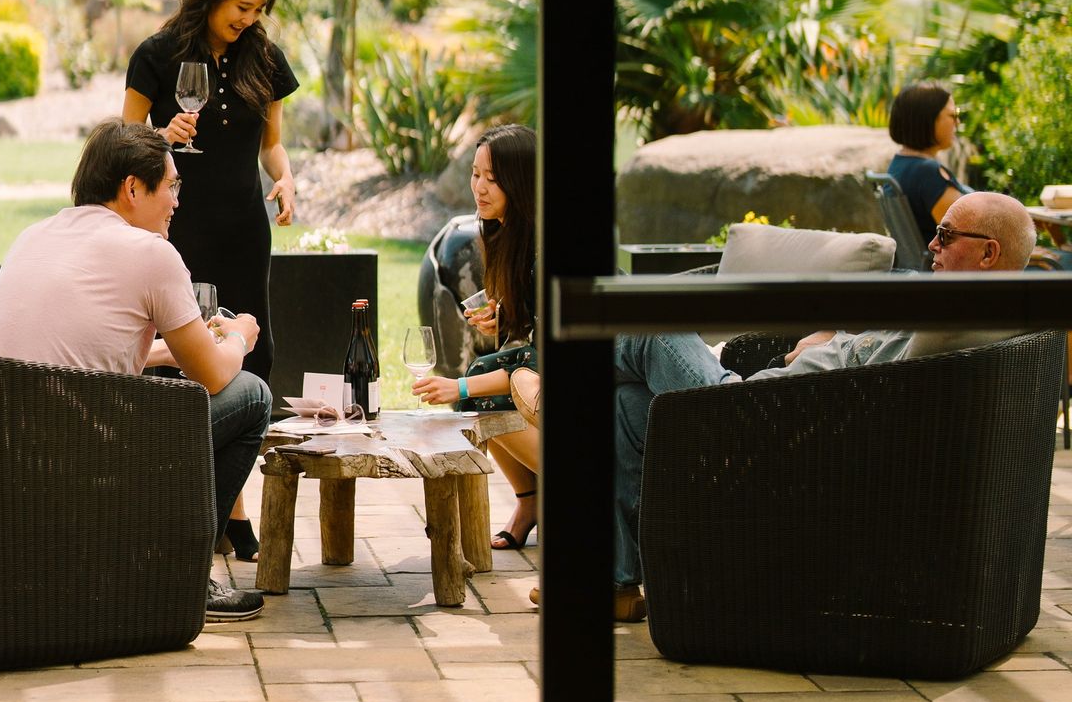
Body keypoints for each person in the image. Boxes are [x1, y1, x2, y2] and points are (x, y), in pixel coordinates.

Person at [611, 191, 1037, 624]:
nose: (932, 245)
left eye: (946, 236)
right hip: (771, 405)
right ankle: (616, 583)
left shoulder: (964, 311)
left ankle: (546, 369)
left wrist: (838, 346)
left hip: (755, 425)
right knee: (625, 404)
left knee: (645, 319)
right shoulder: (974, 310)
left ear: (988, 253)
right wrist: (834, 340)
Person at [0, 118, 273, 623]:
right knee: (253, 395)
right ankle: (185, 575)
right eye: (172, 185)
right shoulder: (150, 253)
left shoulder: (35, 234)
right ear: (132, 187)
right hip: (80, 460)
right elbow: (216, 377)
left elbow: (77, 347)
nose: (178, 200)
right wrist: (241, 335)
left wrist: (162, 352)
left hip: (1, 454)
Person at [123, 0, 298, 562]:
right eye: (240, 5)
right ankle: (203, 504)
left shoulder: (264, 59)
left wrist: (285, 175)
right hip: (177, 228)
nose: (248, 18)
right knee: (182, 354)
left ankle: (230, 503)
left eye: (257, 9)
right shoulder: (157, 54)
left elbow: (271, 144)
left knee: (249, 350)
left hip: (244, 228)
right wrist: (159, 138)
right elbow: (124, 144)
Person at [412, 124, 541, 561]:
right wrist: (504, 321)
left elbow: (541, 358)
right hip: (536, 373)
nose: (479, 189)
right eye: (475, 174)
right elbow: (526, 333)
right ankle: (529, 501)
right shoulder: (503, 235)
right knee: (482, 380)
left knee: (478, 391)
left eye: (493, 178)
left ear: (521, 182)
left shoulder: (544, 249)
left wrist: (460, 388)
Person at [887, 81, 971, 247]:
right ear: (927, 119)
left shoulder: (899, 164)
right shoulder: (927, 173)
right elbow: (969, 234)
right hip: (951, 268)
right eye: (952, 115)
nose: (958, 122)